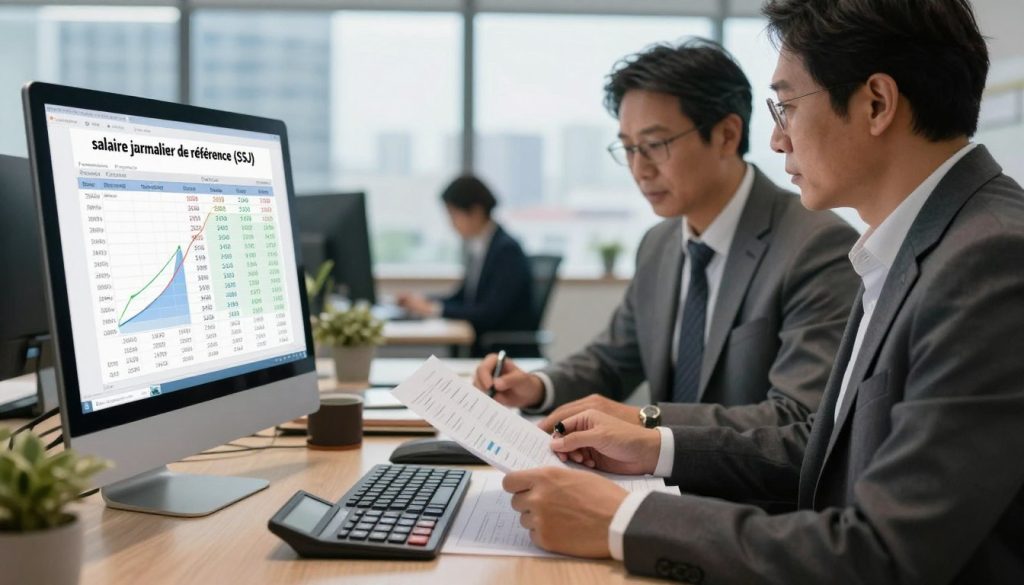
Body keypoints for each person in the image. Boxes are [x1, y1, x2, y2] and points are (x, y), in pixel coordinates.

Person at [502, 0, 1024, 582]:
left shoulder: (990, 260)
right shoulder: (914, 243)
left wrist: (621, 519)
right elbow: (824, 452)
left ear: (876, 103)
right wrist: (655, 447)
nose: (776, 140)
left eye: (787, 106)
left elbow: (886, 553)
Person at [475, 40, 859, 435]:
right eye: (629, 148)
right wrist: (538, 386)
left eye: (655, 145)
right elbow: (613, 360)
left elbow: (797, 418)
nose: (639, 169)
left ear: (727, 135)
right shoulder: (658, 244)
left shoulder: (815, 246)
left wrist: (645, 421)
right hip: (655, 470)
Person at [397, 175, 533, 357]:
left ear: (476, 212)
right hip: (483, 347)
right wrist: (425, 301)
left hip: (500, 352)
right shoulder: (481, 246)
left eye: (453, 215)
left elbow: (489, 313)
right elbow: (463, 297)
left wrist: (434, 309)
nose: (451, 223)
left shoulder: (506, 250)